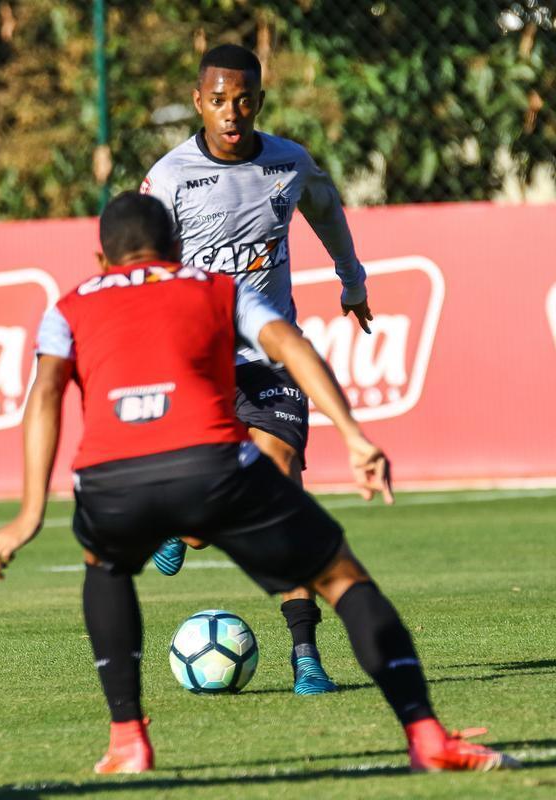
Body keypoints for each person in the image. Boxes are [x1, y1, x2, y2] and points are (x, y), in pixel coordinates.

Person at [0, 192, 517, 776]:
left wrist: (29, 512)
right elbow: (288, 344)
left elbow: (45, 397)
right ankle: (427, 737)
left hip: (112, 479)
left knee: (104, 566)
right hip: (212, 466)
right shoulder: (215, 286)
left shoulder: (68, 305)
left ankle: (127, 740)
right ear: (178, 247)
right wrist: (353, 434)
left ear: (100, 257)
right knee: (341, 576)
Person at [141, 43, 372, 695]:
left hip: (270, 359)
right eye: (218, 100)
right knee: (205, 506)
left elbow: (328, 214)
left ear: (259, 102)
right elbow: (147, 270)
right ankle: (180, 527)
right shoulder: (170, 178)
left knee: (280, 495)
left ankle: (305, 657)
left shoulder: (288, 163)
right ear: (198, 102)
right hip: (198, 362)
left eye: (243, 100)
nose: (231, 112)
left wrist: (351, 283)